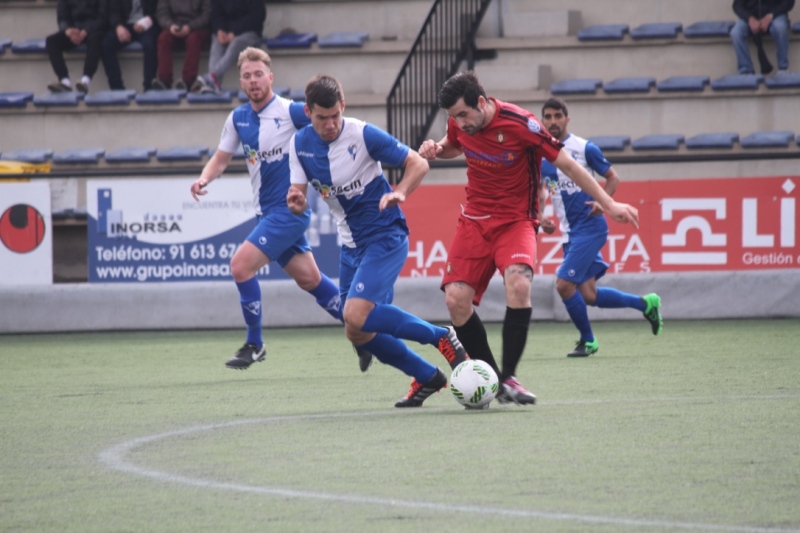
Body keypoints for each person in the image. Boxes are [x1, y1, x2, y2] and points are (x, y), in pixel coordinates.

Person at [418, 72, 639, 405]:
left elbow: (567, 164)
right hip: (475, 220)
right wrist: (437, 148)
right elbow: (454, 145)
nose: (460, 123)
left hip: (516, 221)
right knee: (455, 301)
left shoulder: (523, 124)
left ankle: (508, 376)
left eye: (463, 115)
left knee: (519, 285)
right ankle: (496, 381)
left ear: (481, 102)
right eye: (453, 118)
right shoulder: (461, 124)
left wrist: (609, 203)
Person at [286, 74, 469, 408]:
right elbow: (296, 194)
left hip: (386, 235)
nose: (330, 124)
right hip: (351, 244)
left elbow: (418, 162)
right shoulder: (299, 145)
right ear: (308, 112)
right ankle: (428, 377)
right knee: (356, 329)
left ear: (343, 107)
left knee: (356, 315)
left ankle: (442, 336)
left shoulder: (362, 134)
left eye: (335, 116)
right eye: (321, 118)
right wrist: (296, 201)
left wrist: (399, 191)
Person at [189, 47, 372, 373]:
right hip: (265, 214)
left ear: (270, 77)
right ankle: (364, 336)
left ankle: (255, 344)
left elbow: (332, 125)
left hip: (289, 212)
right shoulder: (238, 118)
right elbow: (221, 157)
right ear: (241, 81)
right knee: (312, 280)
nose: (253, 80)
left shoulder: (290, 111)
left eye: (259, 74)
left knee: (240, 267)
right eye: (246, 75)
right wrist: (204, 178)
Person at [538, 97, 663, 357]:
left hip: (591, 229)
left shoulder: (584, 149)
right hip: (570, 233)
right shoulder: (543, 158)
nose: (552, 122)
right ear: (542, 121)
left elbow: (612, 177)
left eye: (557, 116)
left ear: (567, 119)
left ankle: (588, 340)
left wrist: (603, 202)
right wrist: (540, 216)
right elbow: (543, 189)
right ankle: (646, 304)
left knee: (563, 285)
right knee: (590, 295)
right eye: (547, 117)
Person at [190, 0, 265, 95]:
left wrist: (234, 32)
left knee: (236, 43)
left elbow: (257, 17)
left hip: (249, 32)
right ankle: (213, 83)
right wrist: (220, 30)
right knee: (217, 42)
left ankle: (211, 77)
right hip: (226, 31)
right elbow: (216, 14)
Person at [45, 0, 108, 93]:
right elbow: (62, 16)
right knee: (51, 41)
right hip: (75, 30)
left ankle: (86, 80)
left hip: (94, 30)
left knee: (96, 40)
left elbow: (104, 18)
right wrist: (67, 30)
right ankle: (64, 81)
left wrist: (86, 30)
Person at [101, 0, 160, 92]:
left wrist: (148, 21)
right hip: (125, 24)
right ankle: (117, 88)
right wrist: (118, 26)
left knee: (150, 44)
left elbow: (160, 10)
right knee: (106, 44)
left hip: (147, 24)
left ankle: (149, 87)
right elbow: (113, 11)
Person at [153, 0, 211, 90]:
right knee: (163, 38)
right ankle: (164, 81)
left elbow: (207, 15)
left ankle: (188, 81)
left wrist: (190, 27)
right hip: (174, 26)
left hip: (198, 27)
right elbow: (162, 13)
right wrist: (170, 25)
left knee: (193, 40)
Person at [730, 0, 795, 74]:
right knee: (736, 33)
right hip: (750, 16)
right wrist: (749, 18)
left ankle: (783, 68)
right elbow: (737, 5)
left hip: (776, 15)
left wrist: (770, 16)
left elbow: (789, 2)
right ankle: (746, 71)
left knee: (780, 28)